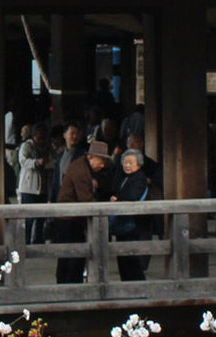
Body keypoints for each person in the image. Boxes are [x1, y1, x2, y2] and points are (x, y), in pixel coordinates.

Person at [54, 140, 112, 283]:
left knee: (70, 256)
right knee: (74, 256)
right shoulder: (81, 171)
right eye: (102, 160)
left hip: (71, 219)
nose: (103, 164)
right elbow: (86, 201)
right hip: (69, 220)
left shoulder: (83, 166)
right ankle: (70, 287)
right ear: (91, 157)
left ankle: (67, 286)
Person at [109, 148, 161, 281]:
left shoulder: (139, 177)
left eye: (131, 162)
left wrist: (117, 200)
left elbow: (133, 196)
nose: (127, 165)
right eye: (125, 162)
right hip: (126, 223)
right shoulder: (126, 177)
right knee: (125, 259)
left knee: (131, 260)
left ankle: (136, 287)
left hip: (134, 224)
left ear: (139, 164)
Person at [14, 121, 48, 242]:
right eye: (39, 135)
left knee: (41, 218)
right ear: (34, 135)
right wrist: (37, 162)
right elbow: (23, 161)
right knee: (28, 218)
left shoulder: (48, 147)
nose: (41, 138)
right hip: (28, 187)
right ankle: (25, 242)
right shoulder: (26, 146)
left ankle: (38, 241)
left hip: (43, 187)